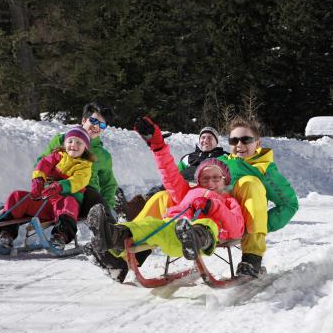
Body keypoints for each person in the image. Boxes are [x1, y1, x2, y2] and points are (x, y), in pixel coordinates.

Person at [86, 117, 245, 283]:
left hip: (203, 237)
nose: (210, 182)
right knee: (150, 225)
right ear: (198, 181)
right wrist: (158, 146)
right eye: (205, 178)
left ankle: (194, 238)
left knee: (207, 223)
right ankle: (113, 235)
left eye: (216, 178)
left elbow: (236, 228)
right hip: (174, 229)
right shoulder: (187, 191)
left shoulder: (228, 201)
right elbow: (170, 175)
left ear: (225, 180)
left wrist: (214, 206)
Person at [0, 127, 95, 250]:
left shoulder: (85, 166)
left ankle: (60, 236)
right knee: (17, 196)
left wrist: (60, 186)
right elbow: (43, 165)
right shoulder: (56, 156)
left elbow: (78, 181)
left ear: (85, 148)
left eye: (79, 142)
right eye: (70, 141)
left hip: (63, 203)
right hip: (44, 201)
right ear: (65, 143)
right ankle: (4, 232)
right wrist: (38, 180)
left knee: (69, 202)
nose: (74, 145)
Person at [220, 117, 299, 278]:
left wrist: (259, 224)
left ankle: (251, 258)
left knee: (250, 183)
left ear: (257, 143)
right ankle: (155, 237)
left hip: (240, 225)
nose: (239, 145)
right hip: (211, 219)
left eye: (246, 140)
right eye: (234, 140)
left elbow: (289, 204)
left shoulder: (264, 169)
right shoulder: (219, 163)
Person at [116, 125, 229, 221]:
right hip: (180, 185)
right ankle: (129, 211)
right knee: (156, 191)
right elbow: (175, 173)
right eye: (203, 137)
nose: (206, 140)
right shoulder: (188, 158)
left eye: (210, 138)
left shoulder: (223, 157)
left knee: (162, 196)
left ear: (216, 142)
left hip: (199, 189)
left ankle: (135, 220)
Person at [39, 102, 117, 220]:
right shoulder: (62, 140)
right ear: (84, 120)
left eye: (102, 125)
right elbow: (42, 162)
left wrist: (107, 207)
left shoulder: (102, 155)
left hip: (85, 196)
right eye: (94, 121)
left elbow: (108, 184)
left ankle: (110, 231)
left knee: (96, 201)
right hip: (56, 188)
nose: (96, 127)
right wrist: (41, 181)